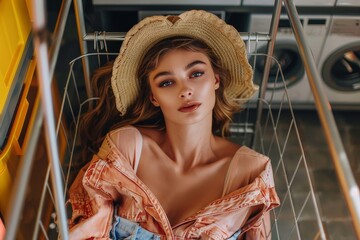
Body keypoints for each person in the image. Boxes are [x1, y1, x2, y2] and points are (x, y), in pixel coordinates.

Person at [67, 10, 280, 239]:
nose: (185, 90)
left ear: (216, 80)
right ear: (153, 97)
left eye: (196, 73)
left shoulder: (250, 173)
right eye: (167, 82)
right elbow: (88, 229)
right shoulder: (127, 148)